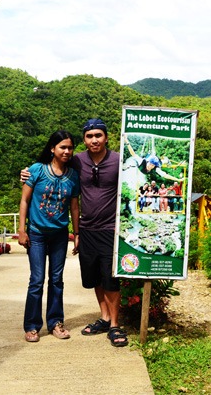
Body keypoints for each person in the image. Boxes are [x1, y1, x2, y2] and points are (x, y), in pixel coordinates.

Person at [21, 118, 128, 347]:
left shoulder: (118, 161)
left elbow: (75, 203)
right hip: (80, 231)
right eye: (89, 136)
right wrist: (25, 174)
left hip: (107, 229)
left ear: (106, 137)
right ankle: (103, 318)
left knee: (108, 278)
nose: (94, 140)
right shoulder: (77, 161)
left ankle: (113, 325)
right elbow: (31, 192)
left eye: (98, 135)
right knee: (91, 278)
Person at [18, 130, 80, 343]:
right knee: (36, 280)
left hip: (60, 235)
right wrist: (22, 230)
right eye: (62, 147)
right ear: (52, 148)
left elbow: (74, 206)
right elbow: (24, 200)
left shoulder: (73, 176)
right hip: (37, 234)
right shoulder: (37, 170)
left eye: (70, 148)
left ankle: (55, 322)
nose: (66, 151)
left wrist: (77, 233)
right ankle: (32, 326)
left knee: (56, 280)